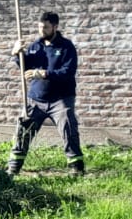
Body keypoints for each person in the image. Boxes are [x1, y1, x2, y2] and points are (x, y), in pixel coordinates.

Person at [7, 11, 83, 176]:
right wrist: (16, 55)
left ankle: (76, 167)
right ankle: (13, 167)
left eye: (46, 27)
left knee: (68, 128)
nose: (42, 30)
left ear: (55, 27)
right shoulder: (35, 46)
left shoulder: (66, 47)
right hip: (36, 98)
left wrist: (44, 73)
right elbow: (25, 69)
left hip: (61, 99)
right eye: (40, 27)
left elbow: (68, 72)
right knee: (23, 130)